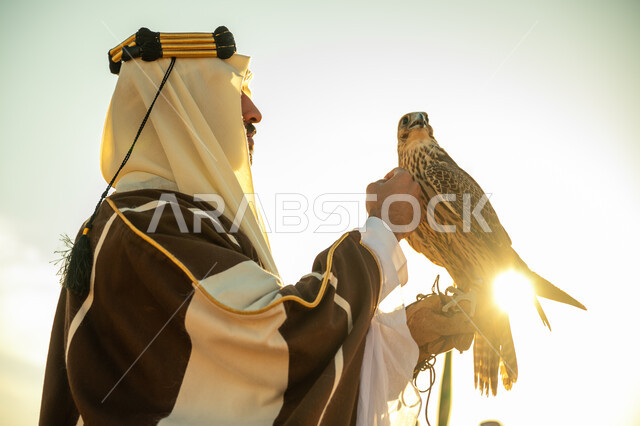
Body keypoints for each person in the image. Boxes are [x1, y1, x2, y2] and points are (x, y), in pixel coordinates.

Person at [40, 27, 473, 425]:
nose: (255, 112)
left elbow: (245, 379)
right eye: (232, 91)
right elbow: (280, 349)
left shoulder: (185, 222)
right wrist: (379, 234)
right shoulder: (143, 231)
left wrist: (414, 330)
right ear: (183, 112)